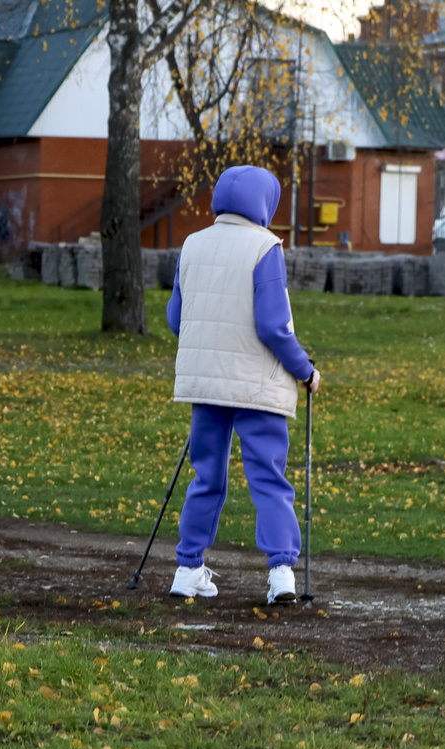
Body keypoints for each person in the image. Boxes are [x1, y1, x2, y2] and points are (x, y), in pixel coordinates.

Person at [165, 165, 320, 605]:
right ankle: (281, 574)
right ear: (264, 203)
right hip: (257, 386)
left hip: (206, 383)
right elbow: (274, 326)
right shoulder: (265, 246)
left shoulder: (192, 244)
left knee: (206, 477)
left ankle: (187, 569)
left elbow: (177, 319)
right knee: (268, 478)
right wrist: (305, 370)